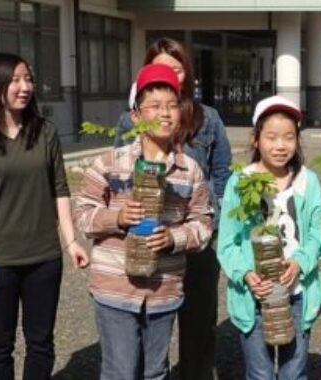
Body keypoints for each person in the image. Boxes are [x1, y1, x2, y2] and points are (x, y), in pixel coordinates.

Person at [0, 53, 90, 380]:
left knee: (41, 342)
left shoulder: (45, 133)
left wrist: (70, 242)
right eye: (14, 80)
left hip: (44, 257)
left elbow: (59, 189)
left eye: (28, 79)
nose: (24, 87)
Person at [74, 63, 214, 379]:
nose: (165, 113)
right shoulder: (110, 164)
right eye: (154, 106)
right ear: (135, 115)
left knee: (155, 371)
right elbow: (82, 215)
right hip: (115, 288)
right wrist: (117, 217)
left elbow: (203, 224)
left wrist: (174, 239)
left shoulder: (189, 170)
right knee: (121, 371)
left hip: (164, 289)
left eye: (172, 105)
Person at [114, 38, 232, 380]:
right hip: (149, 235)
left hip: (196, 236)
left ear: (187, 74)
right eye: (161, 68)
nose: (169, 75)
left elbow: (222, 173)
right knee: (150, 319)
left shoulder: (207, 118)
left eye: (176, 69)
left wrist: (212, 223)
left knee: (198, 320)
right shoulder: (129, 121)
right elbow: (119, 176)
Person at [217, 95, 321, 380]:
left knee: (294, 372)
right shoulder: (241, 182)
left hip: (297, 294)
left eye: (289, 137)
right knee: (260, 372)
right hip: (256, 295)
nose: (280, 145)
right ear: (256, 139)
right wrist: (245, 274)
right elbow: (227, 242)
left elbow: (318, 232)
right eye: (272, 137)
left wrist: (301, 262)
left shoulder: (307, 181)